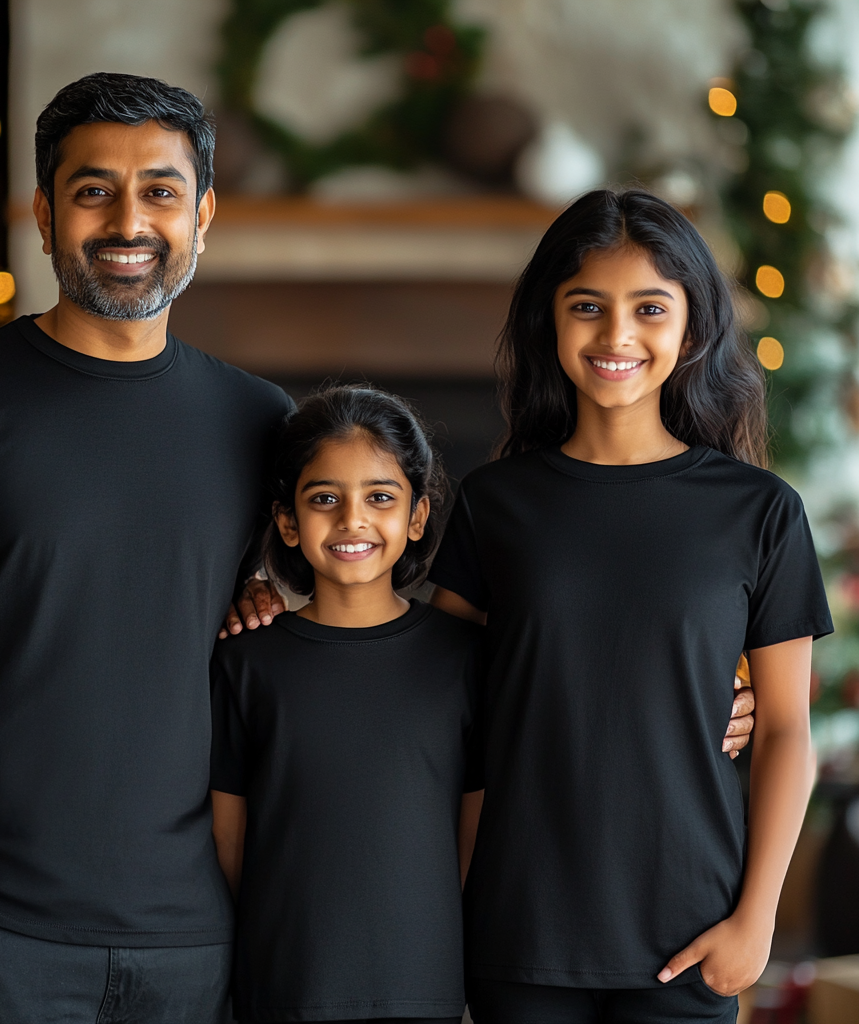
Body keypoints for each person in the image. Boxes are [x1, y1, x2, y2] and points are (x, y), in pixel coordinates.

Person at [0, 72, 292, 1022]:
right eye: (94, 190)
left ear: (203, 214)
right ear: (44, 214)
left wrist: (265, 594)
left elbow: (307, 640)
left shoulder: (265, 424)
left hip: (206, 945)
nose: (130, 221)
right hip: (3, 943)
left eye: (161, 191)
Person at [427, 189, 833, 1023]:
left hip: (690, 939)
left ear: (694, 326)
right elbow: (437, 706)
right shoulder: (494, 504)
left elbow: (789, 730)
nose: (617, 336)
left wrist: (755, 924)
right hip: (518, 932)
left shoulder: (760, 512)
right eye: (587, 306)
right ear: (550, 320)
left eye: (650, 307)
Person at [210, 385, 484, 1024]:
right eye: (324, 499)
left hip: (424, 987)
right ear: (286, 521)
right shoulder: (245, 662)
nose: (352, 520)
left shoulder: (466, 659)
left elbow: (475, 837)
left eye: (380, 498)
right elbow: (231, 845)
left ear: (417, 517)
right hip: (283, 986)